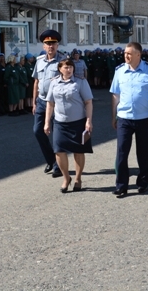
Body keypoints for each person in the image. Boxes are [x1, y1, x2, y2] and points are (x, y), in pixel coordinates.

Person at [110, 42, 148, 198]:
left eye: (129, 53)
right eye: (125, 53)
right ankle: (121, 185)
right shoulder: (119, 71)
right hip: (124, 118)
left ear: (138, 55)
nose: (126, 55)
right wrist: (113, 115)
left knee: (144, 153)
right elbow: (115, 95)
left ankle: (143, 182)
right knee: (121, 152)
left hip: (145, 118)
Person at [44, 59, 93, 193]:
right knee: (59, 151)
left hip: (78, 122)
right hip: (60, 123)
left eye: (70, 67)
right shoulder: (54, 82)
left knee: (78, 151)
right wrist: (47, 122)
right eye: (66, 67)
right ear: (60, 69)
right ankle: (66, 178)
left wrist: (88, 121)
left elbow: (88, 102)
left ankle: (78, 178)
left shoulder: (80, 81)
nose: (69, 69)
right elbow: (50, 103)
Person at [32, 29, 67, 178]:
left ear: (57, 45)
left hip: (57, 103)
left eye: (53, 43)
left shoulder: (63, 62)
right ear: (43, 46)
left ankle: (59, 165)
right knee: (38, 131)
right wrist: (33, 102)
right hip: (41, 101)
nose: (50, 46)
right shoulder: (39, 61)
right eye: (47, 44)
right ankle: (51, 160)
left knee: (57, 135)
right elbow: (36, 81)